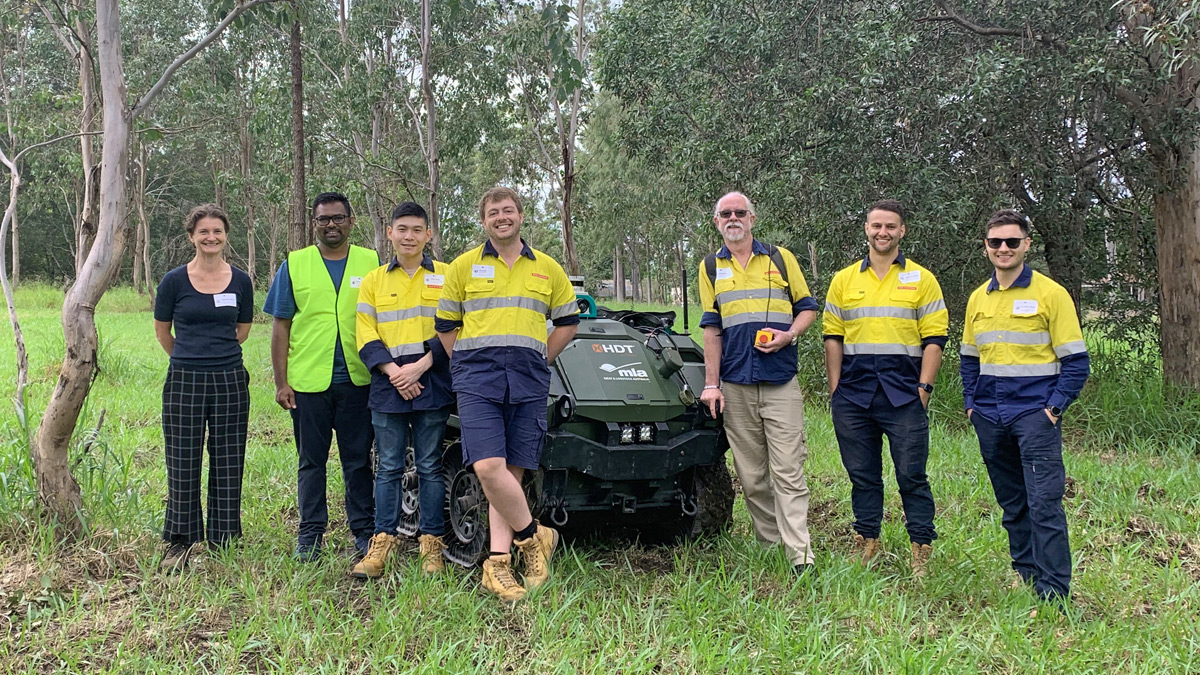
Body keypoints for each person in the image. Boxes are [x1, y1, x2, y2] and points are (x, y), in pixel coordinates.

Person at [435, 186, 579, 601]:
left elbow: (567, 322)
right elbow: (446, 326)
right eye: (493, 212)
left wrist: (541, 359)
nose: (502, 217)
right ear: (484, 221)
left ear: (520, 216)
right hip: (477, 381)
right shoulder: (463, 267)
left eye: (509, 210)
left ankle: (498, 563)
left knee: (511, 472)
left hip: (528, 379)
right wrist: (462, 363)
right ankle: (535, 538)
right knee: (488, 467)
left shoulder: (548, 269)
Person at [961, 209, 1089, 604]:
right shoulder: (978, 298)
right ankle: (1028, 579)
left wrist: (1052, 409)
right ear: (986, 248)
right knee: (1012, 505)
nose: (1003, 248)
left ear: (1026, 245)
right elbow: (968, 358)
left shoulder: (1051, 294)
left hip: (1034, 415)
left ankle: (1054, 595)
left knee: (1044, 505)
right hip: (990, 416)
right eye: (996, 242)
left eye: (1012, 242)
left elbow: (1077, 363)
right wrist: (971, 406)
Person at [822, 199, 947, 577]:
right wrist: (835, 390)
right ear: (866, 229)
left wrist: (923, 389)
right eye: (876, 226)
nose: (883, 232)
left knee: (912, 475)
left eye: (890, 226)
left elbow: (935, 340)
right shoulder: (844, 280)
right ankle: (867, 542)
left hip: (903, 393)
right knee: (862, 475)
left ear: (902, 231)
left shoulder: (922, 279)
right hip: (854, 394)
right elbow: (832, 338)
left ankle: (920, 548)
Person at [697, 191, 819, 576]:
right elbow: (711, 328)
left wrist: (789, 336)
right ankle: (770, 547)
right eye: (725, 214)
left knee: (788, 470)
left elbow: (808, 308)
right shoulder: (709, 267)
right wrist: (711, 384)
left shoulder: (781, 259)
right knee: (751, 476)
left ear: (752, 218)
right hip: (735, 383)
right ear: (717, 222)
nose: (733, 218)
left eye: (740, 213)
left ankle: (799, 556)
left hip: (780, 379)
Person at [264, 192, 378, 561]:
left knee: (358, 461)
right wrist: (281, 381)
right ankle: (310, 535)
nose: (331, 225)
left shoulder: (371, 262)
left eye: (338, 218)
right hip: (308, 384)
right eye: (323, 219)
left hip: (358, 381)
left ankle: (364, 531)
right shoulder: (295, 265)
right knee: (310, 462)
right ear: (313, 224)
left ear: (351, 221)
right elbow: (280, 326)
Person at [351, 202, 453, 579]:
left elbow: (458, 328)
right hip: (388, 384)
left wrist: (422, 366)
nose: (409, 236)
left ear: (429, 234)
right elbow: (365, 331)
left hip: (433, 380)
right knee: (389, 468)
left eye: (417, 229)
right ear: (389, 233)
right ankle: (382, 544)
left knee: (429, 466)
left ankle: (431, 544)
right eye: (402, 229)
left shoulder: (447, 276)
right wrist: (396, 373)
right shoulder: (374, 281)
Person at [153, 204, 254, 571]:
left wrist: (216, 354)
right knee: (182, 458)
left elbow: (242, 330)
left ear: (226, 236)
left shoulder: (241, 280)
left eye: (217, 231)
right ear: (191, 237)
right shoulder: (174, 281)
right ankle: (180, 539)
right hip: (184, 379)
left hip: (229, 378)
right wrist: (189, 355)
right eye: (203, 232)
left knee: (228, 458)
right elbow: (163, 331)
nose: (211, 237)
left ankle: (223, 538)